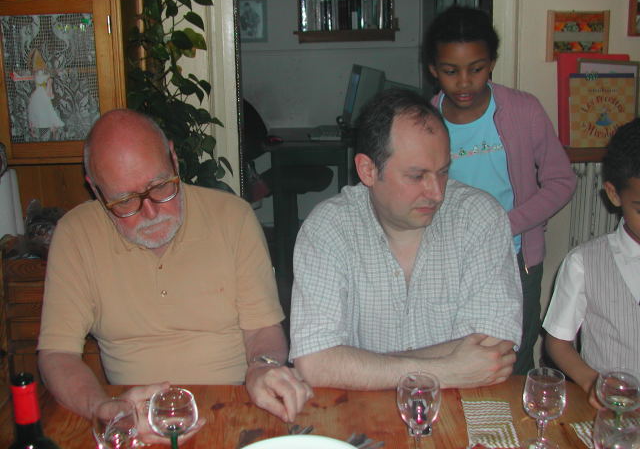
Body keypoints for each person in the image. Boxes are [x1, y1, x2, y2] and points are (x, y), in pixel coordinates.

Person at [37, 109, 312, 443]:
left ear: (173, 158)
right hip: (132, 418)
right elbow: (57, 354)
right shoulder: (76, 234)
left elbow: (263, 329)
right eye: (124, 201)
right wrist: (106, 410)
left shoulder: (233, 218)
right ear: (96, 190)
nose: (150, 211)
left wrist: (263, 367)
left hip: (236, 405)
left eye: (160, 186)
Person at [289, 89, 523, 390]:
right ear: (368, 170)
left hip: (458, 407)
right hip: (363, 410)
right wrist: (448, 370)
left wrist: (358, 367)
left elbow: (493, 351)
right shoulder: (328, 228)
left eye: (443, 172)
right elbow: (314, 363)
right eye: (416, 176)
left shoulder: (480, 217)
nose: (436, 193)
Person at [424, 6, 577, 375]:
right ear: (433, 70)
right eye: (451, 71)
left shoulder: (523, 110)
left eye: (476, 69)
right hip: (448, 261)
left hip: (517, 258)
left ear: (492, 63)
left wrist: (504, 225)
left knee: (514, 356)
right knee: (452, 353)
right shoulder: (424, 122)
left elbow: (562, 181)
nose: (464, 82)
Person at [543, 118, 640, 408]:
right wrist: (591, 382)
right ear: (614, 194)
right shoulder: (584, 263)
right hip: (611, 412)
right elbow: (557, 342)